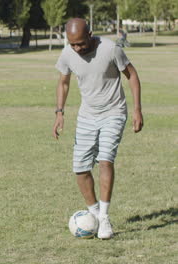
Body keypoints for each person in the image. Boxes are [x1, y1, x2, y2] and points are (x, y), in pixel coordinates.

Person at [52, 18, 143, 239]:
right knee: (80, 169)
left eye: (81, 43)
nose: (77, 48)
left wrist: (137, 109)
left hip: (113, 112)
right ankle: (92, 213)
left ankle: (103, 217)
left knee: (105, 160)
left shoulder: (111, 49)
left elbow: (132, 75)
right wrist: (59, 112)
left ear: (90, 34)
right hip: (87, 116)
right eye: (72, 44)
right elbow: (64, 82)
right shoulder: (67, 54)